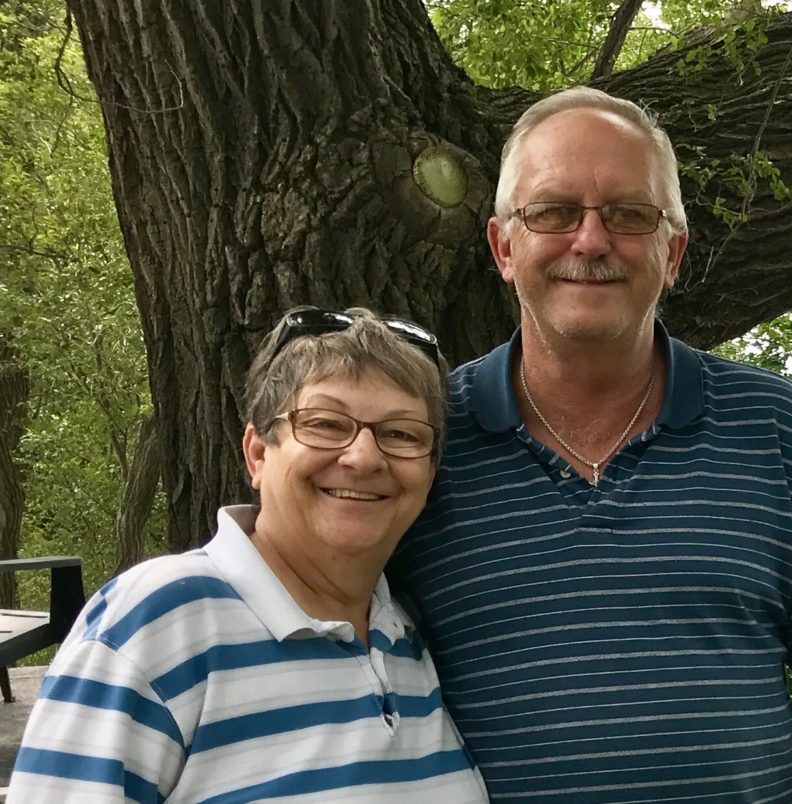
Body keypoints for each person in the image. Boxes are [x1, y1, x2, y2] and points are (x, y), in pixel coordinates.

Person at [389, 87, 792, 803]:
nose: (590, 240)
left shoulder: (776, 429)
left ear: (674, 253)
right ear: (504, 247)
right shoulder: (420, 441)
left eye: (630, 214)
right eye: (553, 212)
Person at [9, 307, 488, 803]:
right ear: (257, 454)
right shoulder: (159, 622)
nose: (364, 457)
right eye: (325, 423)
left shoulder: (406, 635)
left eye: (401, 434)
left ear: (429, 474)